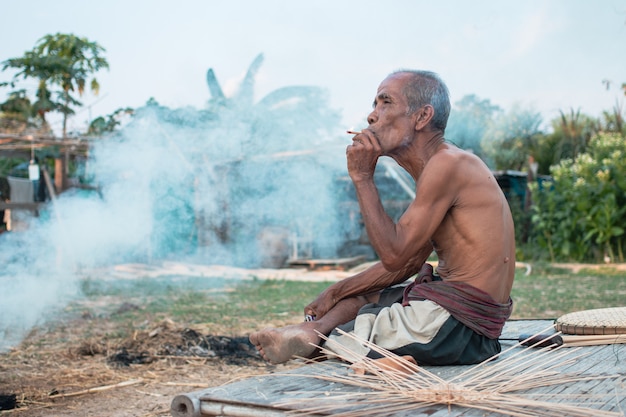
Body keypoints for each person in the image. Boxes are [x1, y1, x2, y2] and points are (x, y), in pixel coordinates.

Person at [250, 70, 515, 366]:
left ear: (422, 117)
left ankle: (321, 343)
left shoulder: (448, 165)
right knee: (357, 299)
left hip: (459, 328)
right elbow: (409, 262)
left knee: (344, 336)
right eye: (374, 105)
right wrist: (335, 291)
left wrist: (363, 177)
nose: (371, 117)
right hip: (457, 319)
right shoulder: (440, 167)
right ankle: (310, 331)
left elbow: (393, 256)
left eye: (385, 103)